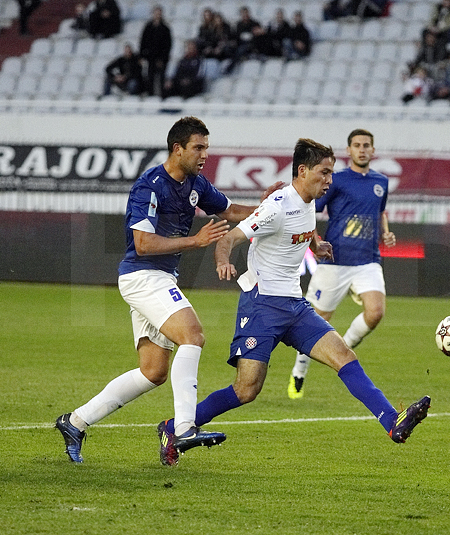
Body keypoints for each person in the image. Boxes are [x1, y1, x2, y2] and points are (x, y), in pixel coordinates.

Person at [157, 138, 430, 465]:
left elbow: (304, 228)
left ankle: (392, 421)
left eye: (331, 173)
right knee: (246, 390)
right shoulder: (275, 206)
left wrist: (317, 245)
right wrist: (223, 261)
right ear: (303, 171)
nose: (330, 180)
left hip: (294, 307)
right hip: (261, 307)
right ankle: (173, 427)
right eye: (324, 172)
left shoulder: (308, 200)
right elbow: (231, 236)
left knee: (343, 354)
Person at [55, 117, 278, 464]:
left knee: (153, 372)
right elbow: (142, 244)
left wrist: (268, 209)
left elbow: (230, 210)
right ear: (178, 148)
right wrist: (197, 240)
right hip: (143, 275)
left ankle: (75, 421)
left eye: (206, 147)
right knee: (193, 336)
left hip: (160, 278)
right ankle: (184, 428)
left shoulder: (195, 183)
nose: (205, 154)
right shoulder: (149, 187)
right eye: (198, 148)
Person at [288, 129, 397, 399]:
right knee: (316, 322)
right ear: (348, 151)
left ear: (373, 150)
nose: (362, 149)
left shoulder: (381, 182)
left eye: (366, 145)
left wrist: (385, 231)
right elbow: (311, 208)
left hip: (367, 260)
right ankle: (300, 370)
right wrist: (314, 240)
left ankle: (343, 349)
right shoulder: (335, 180)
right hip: (334, 261)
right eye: (357, 145)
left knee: (375, 312)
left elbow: (380, 211)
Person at [139, 5, 172, 97]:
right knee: (150, 78)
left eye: (159, 13)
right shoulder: (148, 27)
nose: (157, 15)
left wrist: (162, 58)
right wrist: (142, 55)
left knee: (161, 78)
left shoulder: (165, 29)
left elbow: (168, 45)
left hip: (161, 58)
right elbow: (143, 42)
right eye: (156, 13)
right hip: (150, 57)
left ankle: (162, 96)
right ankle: (151, 96)